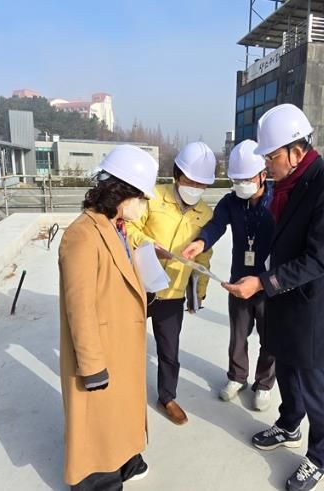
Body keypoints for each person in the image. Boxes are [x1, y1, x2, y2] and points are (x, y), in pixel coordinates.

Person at [224, 104, 324, 491]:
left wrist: (262, 283)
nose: (267, 163)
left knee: (315, 385)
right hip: (285, 302)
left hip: (312, 309)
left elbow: (318, 259)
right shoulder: (288, 185)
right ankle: (290, 424)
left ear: (296, 152)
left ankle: (320, 456)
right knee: (288, 370)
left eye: (271, 156)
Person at [58, 144, 158, 490]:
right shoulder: (82, 234)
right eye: (141, 198)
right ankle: (97, 479)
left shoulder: (116, 226)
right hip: (101, 348)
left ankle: (126, 458)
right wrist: (91, 366)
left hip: (121, 341)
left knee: (120, 411)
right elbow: (80, 307)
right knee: (97, 421)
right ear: (122, 192)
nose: (143, 205)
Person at [182, 140, 276, 411]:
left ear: (263, 174)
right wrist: (201, 242)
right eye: (236, 180)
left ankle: (264, 384)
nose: (241, 185)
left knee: (270, 336)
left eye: (247, 179)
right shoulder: (231, 202)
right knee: (238, 333)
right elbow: (216, 225)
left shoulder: (278, 201)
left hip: (267, 282)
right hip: (239, 279)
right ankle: (237, 377)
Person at [127, 141, 216, 425]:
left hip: (173, 293)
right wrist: (148, 244)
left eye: (201, 184)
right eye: (191, 180)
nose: (195, 187)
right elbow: (129, 226)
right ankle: (124, 392)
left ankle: (167, 397)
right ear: (177, 175)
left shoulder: (205, 213)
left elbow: (204, 256)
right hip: (140, 285)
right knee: (126, 342)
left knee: (169, 350)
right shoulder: (153, 197)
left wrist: (199, 292)